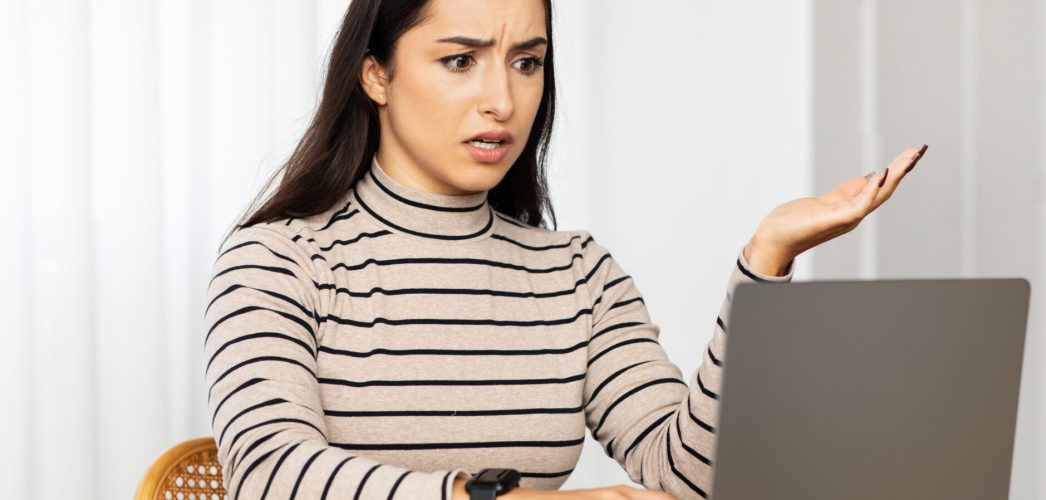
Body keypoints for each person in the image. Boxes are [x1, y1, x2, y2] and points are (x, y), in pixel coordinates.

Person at [202, 0, 928, 498]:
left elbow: (685, 476)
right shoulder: (277, 263)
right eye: (460, 61)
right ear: (376, 75)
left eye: (527, 62)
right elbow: (271, 475)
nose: (503, 101)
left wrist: (765, 260)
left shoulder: (575, 275)